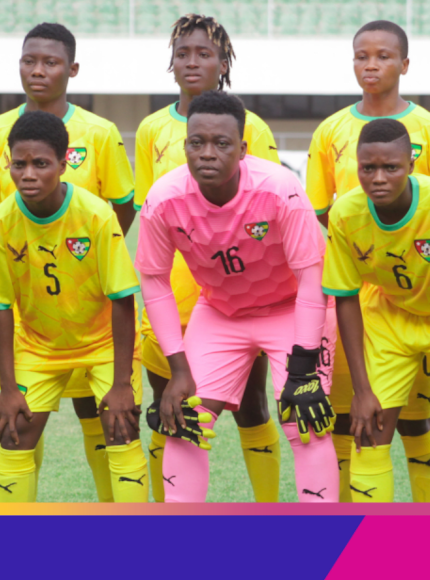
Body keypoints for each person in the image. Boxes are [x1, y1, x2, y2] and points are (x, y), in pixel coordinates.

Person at [136, 91, 337, 503]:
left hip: (291, 307)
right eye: (197, 142)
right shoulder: (163, 198)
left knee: (304, 420)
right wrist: (178, 369)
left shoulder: (280, 188)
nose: (207, 153)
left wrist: (303, 367)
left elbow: (311, 278)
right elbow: (154, 282)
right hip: (221, 311)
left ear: (243, 149)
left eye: (222, 143)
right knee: (185, 419)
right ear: (185, 145)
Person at [0, 22, 137, 502]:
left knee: (107, 420)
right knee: (18, 425)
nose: (38, 70)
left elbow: (122, 206)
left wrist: (84, 260)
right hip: (33, 322)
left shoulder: (100, 135)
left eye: (50, 62)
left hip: (93, 313)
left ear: (72, 68)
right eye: (29, 61)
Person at [133, 14, 283, 503]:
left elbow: (269, 210)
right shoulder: (151, 129)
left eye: (204, 53)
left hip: (238, 296)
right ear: (171, 62)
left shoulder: (250, 126)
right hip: (173, 297)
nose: (192, 62)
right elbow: (150, 214)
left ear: (224, 63)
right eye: (183, 53)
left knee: (252, 405)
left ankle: (268, 510)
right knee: (169, 408)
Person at [306, 19, 430, 503]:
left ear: (404, 64)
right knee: (352, 415)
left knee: (415, 420)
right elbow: (321, 213)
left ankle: (429, 518)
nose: (371, 65)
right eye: (362, 56)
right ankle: (355, 523)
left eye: (383, 56)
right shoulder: (330, 131)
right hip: (352, 297)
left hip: (418, 297)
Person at [322, 119, 430, 502]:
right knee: (368, 431)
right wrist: (361, 390)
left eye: (390, 167)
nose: (378, 178)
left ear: (411, 164)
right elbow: (345, 297)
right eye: (367, 168)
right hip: (390, 319)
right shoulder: (345, 213)